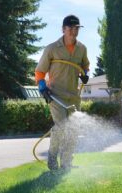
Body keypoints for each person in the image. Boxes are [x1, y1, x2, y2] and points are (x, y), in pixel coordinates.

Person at [35, 15, 90, 170]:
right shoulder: (52, 48)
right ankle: (52, 160)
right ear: (63, 29)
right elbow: (40, 71)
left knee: (73, 130)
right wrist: (42, 87)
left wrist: (85, 74)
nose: (74, 31)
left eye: (77, 28)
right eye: (71, 28)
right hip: (55, 95)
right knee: (61, 127)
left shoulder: (82, 48)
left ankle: (66, 163)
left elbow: (86, 65)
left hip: (73, 96)